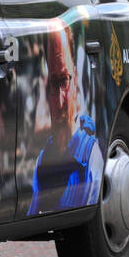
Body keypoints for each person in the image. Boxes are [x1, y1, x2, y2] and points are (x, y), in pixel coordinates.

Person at [27, 21, 103, 215]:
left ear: (75, 81)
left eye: (64, 81)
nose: (59, 101)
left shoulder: (91, 155)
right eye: (53, 84)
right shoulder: (43, 160)